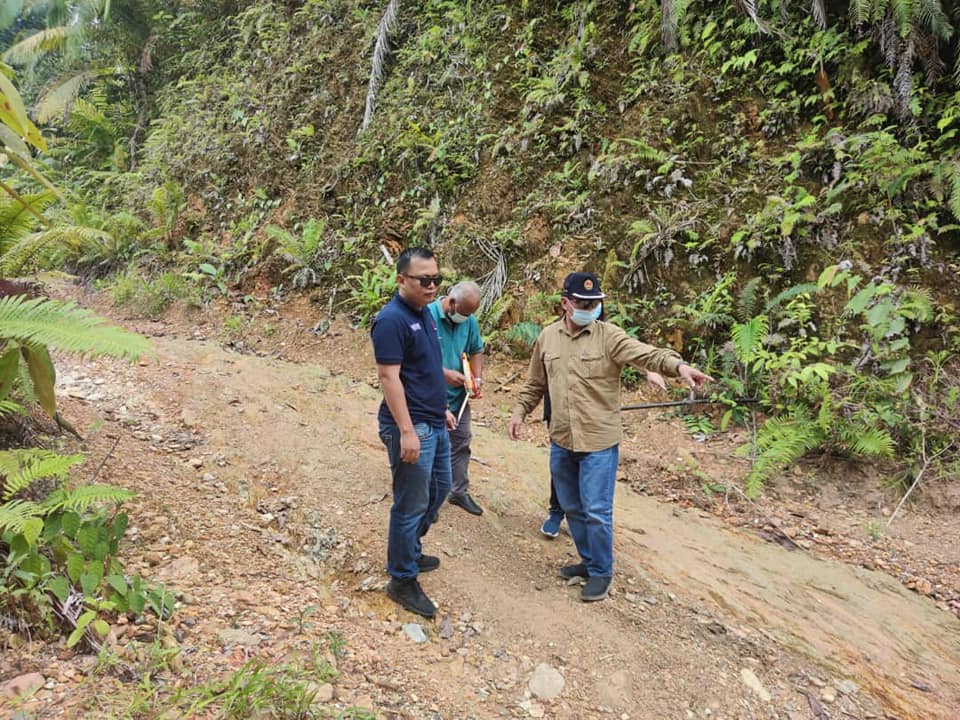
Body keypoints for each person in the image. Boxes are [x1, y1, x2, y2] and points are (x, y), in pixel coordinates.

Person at [507, 271, 714, 602]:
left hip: (598, 443)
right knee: (572, 507)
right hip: (562, 438)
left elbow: (647, 354)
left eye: (596, 304)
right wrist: (519, 412)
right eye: (584, 303)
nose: (591, 309)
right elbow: (535, 383)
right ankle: (589, 562)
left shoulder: (609, 337)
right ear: (565, 303)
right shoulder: (547, 338)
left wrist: (679, 367)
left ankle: (602, 572)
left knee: (596, 511)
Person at [371, 247, 456, 618]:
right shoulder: (391, 320)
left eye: (436, 279)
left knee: (440, 488)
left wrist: (443, 405)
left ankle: (409, 550)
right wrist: (406, 431)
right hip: (412, 425)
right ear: (401, 279)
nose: (432, 286)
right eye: (424, 280)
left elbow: (424, 367)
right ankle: (402, 578)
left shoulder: (425, 313)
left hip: (433, 419)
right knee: (410, 503)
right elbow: (389, 377)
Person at [539, 369, 667, 538]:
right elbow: (538, 370)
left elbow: (623, 352)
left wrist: (648, 369)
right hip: (558, 406)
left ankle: (584, 518)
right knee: (563, 462)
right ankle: (556, 512)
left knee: (588, 467)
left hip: (591, 410)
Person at [427, 281, 485, 516]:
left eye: (470, 314)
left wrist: (476, 378)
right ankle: (423, 494)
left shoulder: (468, 320)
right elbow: (414, 359)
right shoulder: (425, 316)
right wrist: (443, 374)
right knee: (428, 442)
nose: (467, 318)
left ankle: (458, 491)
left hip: (458, 397)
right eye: (464, 313)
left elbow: (476, 349)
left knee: (461, 441)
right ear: (451, 302)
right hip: (427, 394)